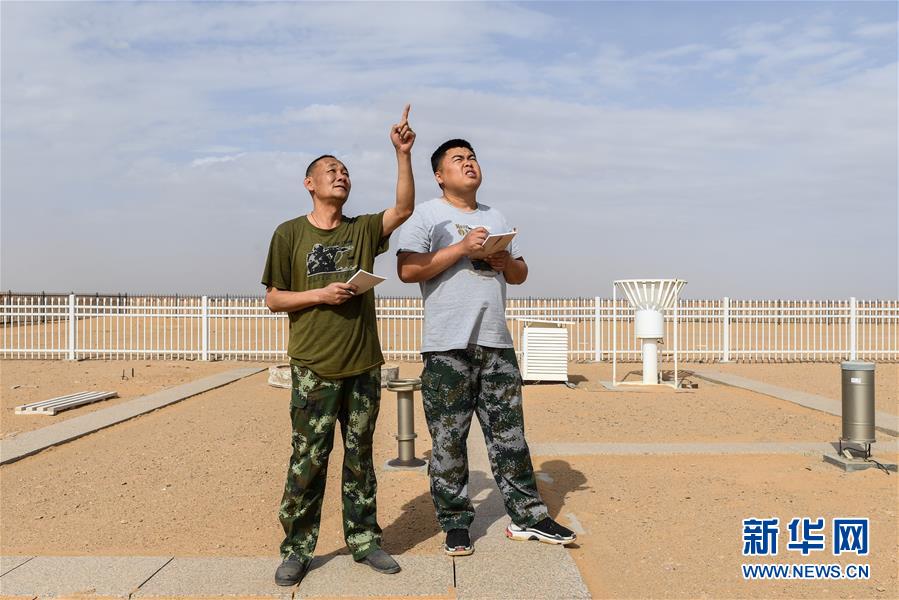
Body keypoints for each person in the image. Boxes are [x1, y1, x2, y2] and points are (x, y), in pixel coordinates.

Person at [395, 139, 576, 557]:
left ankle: (528, 517)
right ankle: (456, 523)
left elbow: (520, 273)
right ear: (440, 175)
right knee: (448, 442)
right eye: (458, 159)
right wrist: (461, 249)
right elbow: (407, 268)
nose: (469, 163)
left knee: (510, 438)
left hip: (496, 343)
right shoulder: (427, 215)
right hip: (447, 347)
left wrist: (503, 262)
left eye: (472, 157)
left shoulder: (496, 217)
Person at [262, 105, 415, 586]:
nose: (340, 175)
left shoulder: (361, 229)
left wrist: (402, 154)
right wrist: (321, 295)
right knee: (307, 461)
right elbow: (274, 298)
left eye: (345, 171)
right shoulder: (289, 233)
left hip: (363, 364)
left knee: (360, 458)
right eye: (331, 170)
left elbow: (403, 210)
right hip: (314, 367)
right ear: (309, 183)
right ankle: (296, 549)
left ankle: (365, 540)